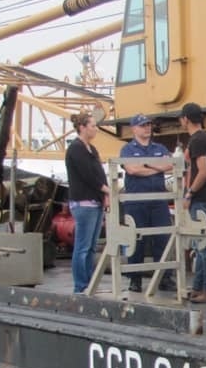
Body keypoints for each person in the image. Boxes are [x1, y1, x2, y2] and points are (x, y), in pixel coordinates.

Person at [119, 113, 175, 293]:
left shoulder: (159, 147)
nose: (147, 128)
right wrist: (155, 167)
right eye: (143, 125)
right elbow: (132, 169)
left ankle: (165, 278)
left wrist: (147, 167)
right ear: (134, 129)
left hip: (158, 200)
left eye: (149, 125)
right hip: (136, 201)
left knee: (163, 239)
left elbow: (170, 165)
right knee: (136, 240)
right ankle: (134, 280)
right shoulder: (127, 149)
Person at [65, 111, 110, 293]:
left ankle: (89, 282)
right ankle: (81, 285)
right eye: (92, 125)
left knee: (91, 246)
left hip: (95, 202)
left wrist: (105, 194)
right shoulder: (76, 149)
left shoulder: (92, 149)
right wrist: (105, 189)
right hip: (84, 202)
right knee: (82, 246)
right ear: (82, 128)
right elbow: (88, 175)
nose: (96, 129)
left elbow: (99, 172)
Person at [180, 102, 206, 304]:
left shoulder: (198, 140)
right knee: (199, 243)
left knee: (203, 246)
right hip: (204, 198)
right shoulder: (202, 138)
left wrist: (189, 193)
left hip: (200, 198)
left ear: (185, 119)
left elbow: (203, 171)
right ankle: (197, 287)